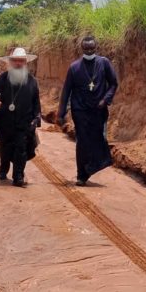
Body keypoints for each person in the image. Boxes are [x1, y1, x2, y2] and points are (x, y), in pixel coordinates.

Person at [57, 36, 118, 186]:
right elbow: (66, 91)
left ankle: (92, 166)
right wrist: (61, 113)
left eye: (92, 48)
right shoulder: (74, 67)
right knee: (82, 142)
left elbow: (113, 84)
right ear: (82, 49)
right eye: (86, 48)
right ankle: (81, 175)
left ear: (96, 48)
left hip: (98, 110)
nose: (89, 51)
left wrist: (105, 100)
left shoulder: (104, 63)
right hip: (80, 110)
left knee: (98, 139)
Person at [0, 48, 41, 187]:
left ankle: (18, 176)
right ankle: (3, 169)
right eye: (15, 61)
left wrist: (36, 118)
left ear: (25, 62)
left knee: (21, 149)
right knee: (5, 148)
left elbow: (36, 102)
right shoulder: (2, 79)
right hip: (5, 121)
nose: (18, 63)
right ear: (11, 62)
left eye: (21, 61)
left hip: (24, 122)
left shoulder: (32, 81)